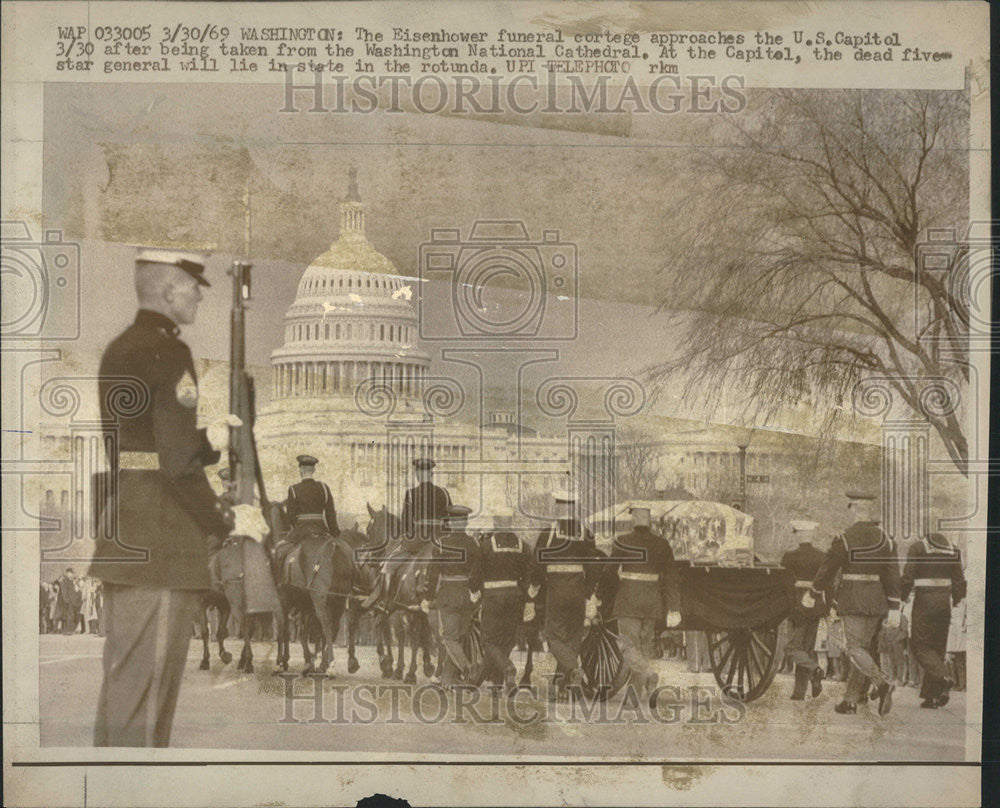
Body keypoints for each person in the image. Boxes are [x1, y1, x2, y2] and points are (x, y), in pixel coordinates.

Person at [88, 246, 244, 747]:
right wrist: (227, 519)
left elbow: (137, 449)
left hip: (130, 530)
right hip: (162, 544)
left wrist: (207, 440)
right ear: (168, 289)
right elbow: (175, 465)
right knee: (147, 712)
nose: (199, 293)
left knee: (124, 703)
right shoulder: (170, 352)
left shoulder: (120, 348)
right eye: (192, 285)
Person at [805, 490, 901, 716]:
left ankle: (882, 683)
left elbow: (828, 568)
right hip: (877, 601)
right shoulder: (886, 539)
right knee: (863, 650)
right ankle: (850, 702)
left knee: (855, 648)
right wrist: (895, 606)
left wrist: (813, 591)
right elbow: (893, 575)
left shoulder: (845, 538)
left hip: (853, 599)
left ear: (855, 510)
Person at [529, 483, 604, 699]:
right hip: (578, 590)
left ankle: (573, 668)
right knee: (573, 636)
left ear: (558, 508)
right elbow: (594, 565)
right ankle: (562, 686)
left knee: (553, 635)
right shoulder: (586, 534)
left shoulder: (548, 534)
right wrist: (589, 592)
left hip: (556, 590)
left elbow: (537, 564)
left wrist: (534, 586)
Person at [608, 506, 681, 706]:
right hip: (652, 604)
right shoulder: (662, 545)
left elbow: (610, 572)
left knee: (628, 646)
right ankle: (633, 698)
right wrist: (674, 608)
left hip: (628, 601)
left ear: (634, 522)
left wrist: (600, 595)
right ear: (649, 523)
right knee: (643, 647)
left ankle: (649, 674)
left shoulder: (622, 541)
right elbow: (672, 578)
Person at [363, 457, 451, 609]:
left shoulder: (411, 493)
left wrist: (406, 537)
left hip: (417, 542)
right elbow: (450, 517)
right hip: (441, 540)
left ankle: (385, 603)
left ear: (418, 474)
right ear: (431, 474)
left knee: (388, 565)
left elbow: (406, 524)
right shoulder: (444, 492)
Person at [900, 532, 966, 708]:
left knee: (920, 646)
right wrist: (957, 600)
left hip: (924, 601)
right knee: (937, 649)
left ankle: (944, 677)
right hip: (944, 602)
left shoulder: (918, 547)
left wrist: (901, 597)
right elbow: (959, 581)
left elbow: (907, 576)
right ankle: (933, 696)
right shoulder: (953, 549)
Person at [420, 504, 482, 687]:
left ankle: (469, 669)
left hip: (448, 595)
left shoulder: (440, 543)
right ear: (465, 522)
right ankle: (447, 679)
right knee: (459, 637)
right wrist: (473, 591)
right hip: (467, 596)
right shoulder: (474, 543)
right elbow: (477, 571)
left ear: (449, 523)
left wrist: (428, 597)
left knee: (449, 638)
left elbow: (433, 573)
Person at [476, 511, 535, 693]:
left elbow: (475, 575)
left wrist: (474, 591)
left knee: (490, 642)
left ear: (495, 522)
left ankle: (508, 668)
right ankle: (497, 684)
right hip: (515, 599)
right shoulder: (523, 547)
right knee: (507, 641)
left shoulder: (485, 546)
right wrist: (527, 600)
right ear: (510, 523)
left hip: (493, 599)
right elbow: (528, 576)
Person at [780, 521, 827, 700]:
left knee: (792, 648)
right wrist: (827, 607)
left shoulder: (789, 556)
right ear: (812, 535)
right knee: (806, 648)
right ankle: (800, 692)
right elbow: (827, 584)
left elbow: (785, 585)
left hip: (797, 605)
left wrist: (790, 608)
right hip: (816, 606)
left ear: (798, 535)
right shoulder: (822, 556)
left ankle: (815, 670)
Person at [274, 455, 340, 574]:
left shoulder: (294, 489)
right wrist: (334, 533)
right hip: (321, 530)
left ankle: (281, 582)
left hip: (301, 531)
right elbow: (331, 514)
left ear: (300, 470)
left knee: (279, 549)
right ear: (313, 470)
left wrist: (296, 528)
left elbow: (290, 517)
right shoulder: (324, 488)